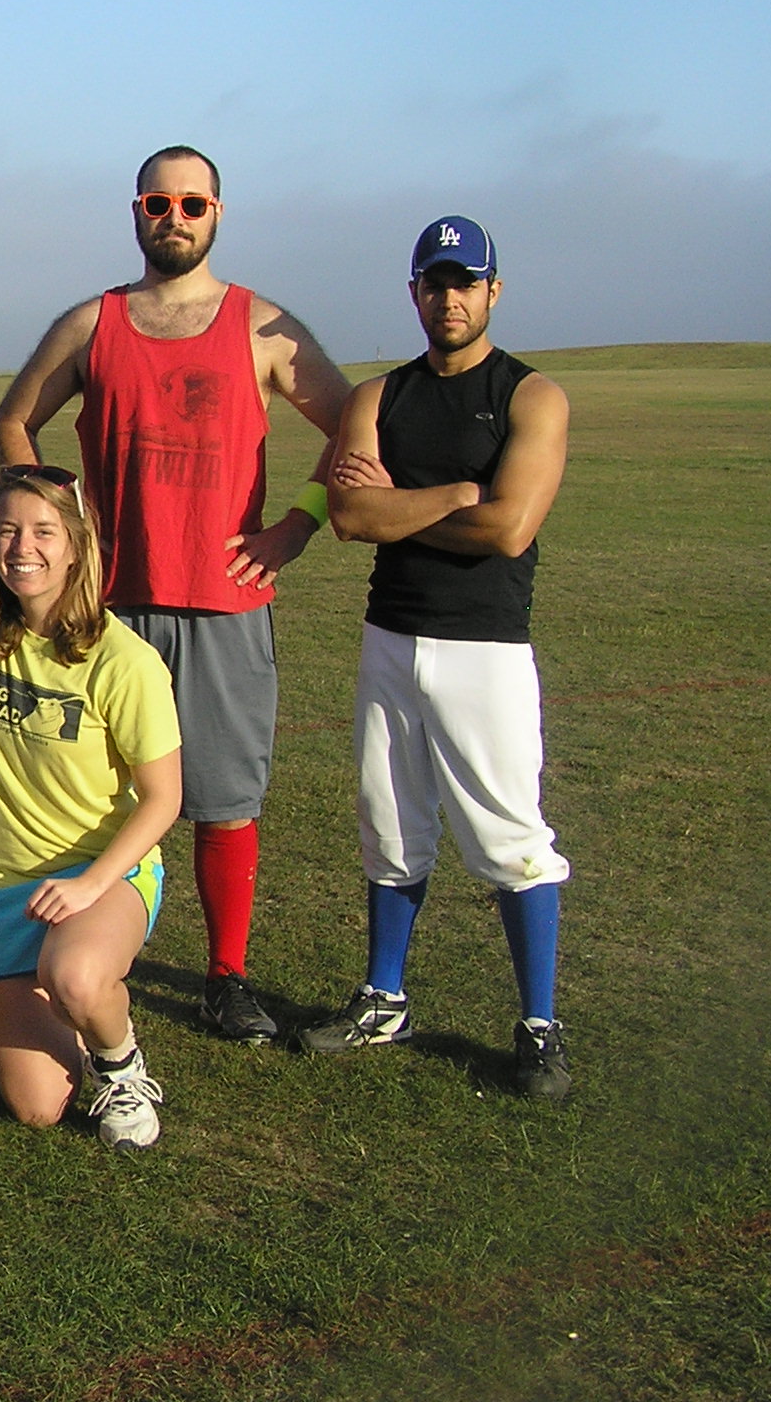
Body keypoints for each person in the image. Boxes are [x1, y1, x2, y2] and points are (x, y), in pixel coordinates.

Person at [0, 147, 352, 1044]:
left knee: (224, 798)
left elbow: (357, 426)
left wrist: (295, 528)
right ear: (137, 212)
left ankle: (225, 976)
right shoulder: (93, 323)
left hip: (224, 603)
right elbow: (13, 419)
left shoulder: (264, 328)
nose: (175, 215)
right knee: (102, 793)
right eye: (159, 201)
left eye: (192, 202)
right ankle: (81, 955)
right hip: (110, 609)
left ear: (218, 212)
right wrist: (51, 519)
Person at [308, 216, 575, 1099]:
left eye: (467, 283)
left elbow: (509, 528)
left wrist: (412, 503)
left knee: (510, 836)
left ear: (494, 291)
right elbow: (351, 518)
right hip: (392, 634)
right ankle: (385, 996)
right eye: (435, 282)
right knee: (389, 825)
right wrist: (459, 491)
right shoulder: (379, 398)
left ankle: (539, 1026)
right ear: (414, 291)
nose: (449, 298)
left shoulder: (532, 396)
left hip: (486, 647)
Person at [0, 467, 184, 1149]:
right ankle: (68, 1013)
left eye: (43, 532)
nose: (22, 547)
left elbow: (165, 798)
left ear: (76, 546)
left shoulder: (125, 661)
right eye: (7, 530)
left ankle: (121, 1066)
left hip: (101, 874)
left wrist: (92, 884)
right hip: (5, 888)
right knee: (35, 1109)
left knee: (78, 977)